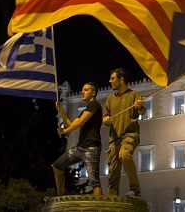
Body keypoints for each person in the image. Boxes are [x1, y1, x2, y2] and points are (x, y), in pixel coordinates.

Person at [52, 82, 103, 196]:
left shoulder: (94, 105)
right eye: (82, 89)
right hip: (80, 148)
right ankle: (60, 196)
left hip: (92, 148)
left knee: (94, 182)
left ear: (93, 93)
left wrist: (64, 131)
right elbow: (71, 124)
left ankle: (100, 206)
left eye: (86, 90)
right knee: (57, 166)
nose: (82, 92)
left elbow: (79, 123)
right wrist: (61, 110)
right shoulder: (86, 109)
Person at [102, 68, 145, 197]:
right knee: (113, 172)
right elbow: (105, 117)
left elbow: (142, 111)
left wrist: (139, 106)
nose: (110, 81)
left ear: (121, 79)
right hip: (114, 139)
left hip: (130, 135)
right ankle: (112, 200)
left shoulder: (134, 95)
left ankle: (135, 189)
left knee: (125, 154)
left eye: (113, 78)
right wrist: (106, 120)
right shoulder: (110, 99)